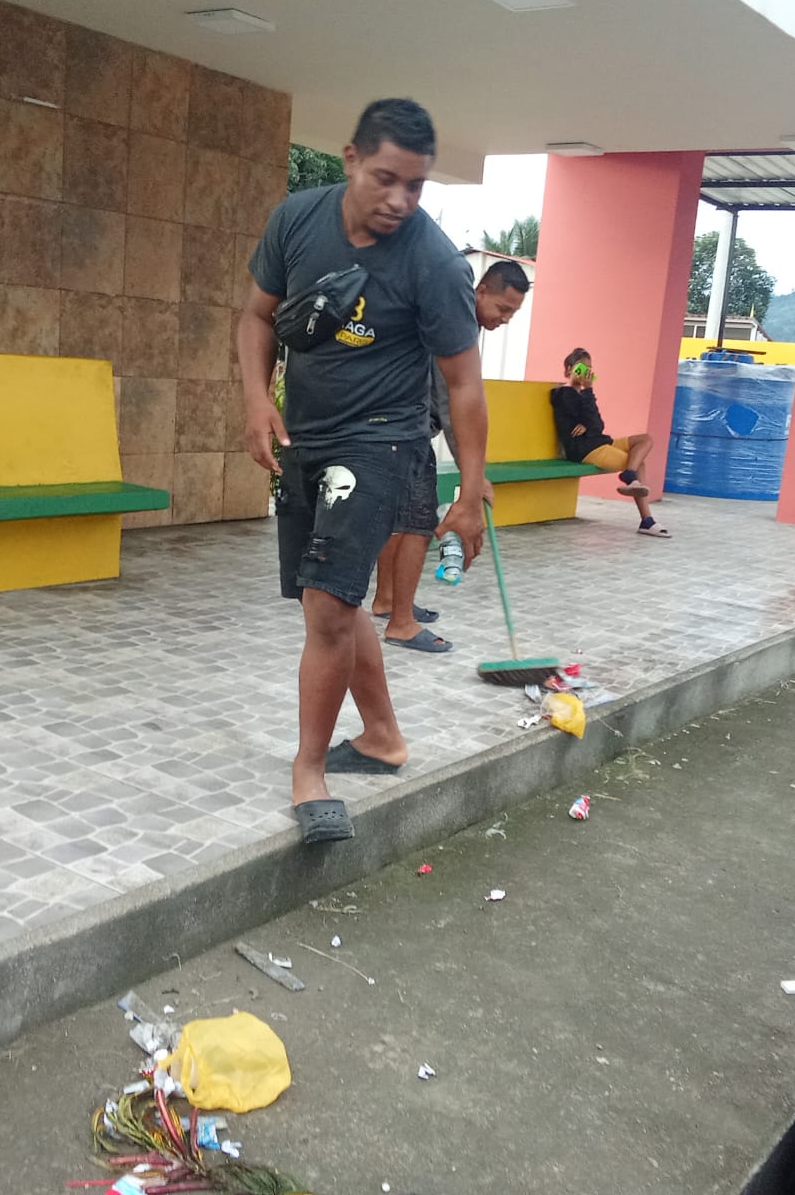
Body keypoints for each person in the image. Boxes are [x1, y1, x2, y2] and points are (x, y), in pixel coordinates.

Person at [237, 99, 490, 845]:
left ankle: (309, 772)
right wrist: (256, 399)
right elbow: (257, 316)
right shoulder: (296, 220)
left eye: (416, 185)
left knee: (326, 608)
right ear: (349, 158)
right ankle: (381, 737)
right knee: (334, 602)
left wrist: (470, 488)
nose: (400, 200)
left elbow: (464, 384)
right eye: (386, 179)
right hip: (306, 436)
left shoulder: (434, 263)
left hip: (383, 441)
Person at [371, 259, 530, 651]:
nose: (505, 319)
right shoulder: (453, 327)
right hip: (405, 432)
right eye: (502, 308)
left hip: (393, 430)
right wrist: (473, 479)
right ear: (480, 291)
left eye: (512, 313)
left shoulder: (451, 318)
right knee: (418, 523)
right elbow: (453, 409)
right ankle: (401, 624)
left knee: (400, 523)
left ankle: (388, 601)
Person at [550, 347, 670, 537]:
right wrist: (588, 392)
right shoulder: (563, 395)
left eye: (590, 368)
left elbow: (598, 425)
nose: (587, 372)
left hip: (600, 442)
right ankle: (646, 520)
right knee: (639, 463)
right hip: (586, 449)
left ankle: (630, 475)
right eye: (582, 367)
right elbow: (594, 425)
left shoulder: (582, 395)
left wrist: (588, 422)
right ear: (570, 369)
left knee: (645, 440)